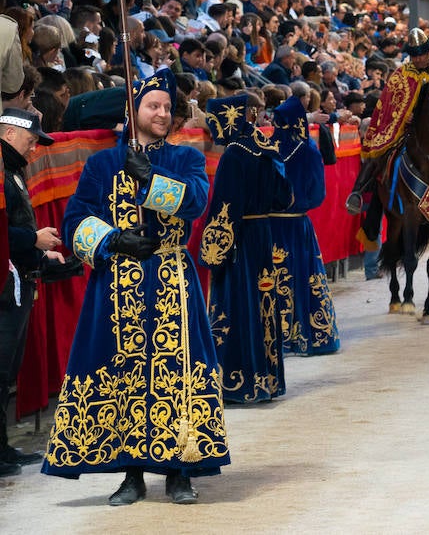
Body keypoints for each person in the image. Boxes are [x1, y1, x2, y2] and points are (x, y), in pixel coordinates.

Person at [42, 70, 221, 505]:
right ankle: (131, 473)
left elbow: (197, 202)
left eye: (166, 107)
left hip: (170, 280)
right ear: (132, 112)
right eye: (152, 106)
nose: (161, 113)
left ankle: (180, 470)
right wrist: (111, 239)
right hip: (116, 282)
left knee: (177, 374)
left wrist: (152, 181)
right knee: (121, 372)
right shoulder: (101, 163)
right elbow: (75, 220)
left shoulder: (185, 158)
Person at [199, 93, 295, 404]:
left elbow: (225, 210)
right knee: (264, 303)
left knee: (239, 303)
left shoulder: (233, 155)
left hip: (241, 238)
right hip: (263, 234)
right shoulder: (265, 149)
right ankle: (266, 380)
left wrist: (213, 250)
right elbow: (285, 199)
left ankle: (239, 383)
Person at [0, 108, 60, 475]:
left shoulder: (13, 170)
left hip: (19, 279)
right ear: (8, 134)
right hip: (7, 284)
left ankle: (3, 449)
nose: (35, 147)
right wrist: (32, 240)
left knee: (6, 372)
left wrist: (38, 249)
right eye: (30, 139)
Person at [345, 28, 429, 214]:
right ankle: (358, 192)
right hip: (402, 129)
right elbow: (388, 105)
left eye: (421, 55)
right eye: (414, 55)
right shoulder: (400, 74)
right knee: (379, 154)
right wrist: (403, 116)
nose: (418, 59)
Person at [270, 96, 341, 355]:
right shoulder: (308, 148)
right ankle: (309, 334)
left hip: (269, 226)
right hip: (297, 223)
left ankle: (277, 335)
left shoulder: (265, 146)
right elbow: (317, 194)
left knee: (273, 279)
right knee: (303, 274)